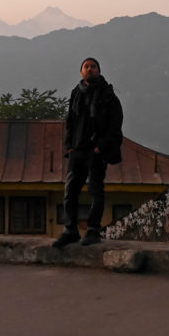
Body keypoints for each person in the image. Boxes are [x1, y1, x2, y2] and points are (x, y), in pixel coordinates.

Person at [53, 57, 123, 248]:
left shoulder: (108, 95)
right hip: (77, 150)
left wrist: (100, 147)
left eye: (93, 67)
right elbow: (70, 121)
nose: (90, 69)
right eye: (86, 67)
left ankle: (93, 230)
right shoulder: (77, 93)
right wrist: (69, 145)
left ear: (99, 70)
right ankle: (71, 230)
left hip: (96, 152)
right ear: (81, 71)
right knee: (71, 191)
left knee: (96, 191)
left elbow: (115, 124)